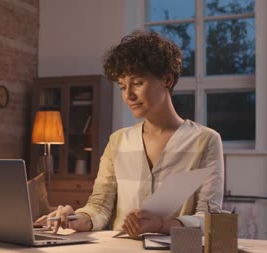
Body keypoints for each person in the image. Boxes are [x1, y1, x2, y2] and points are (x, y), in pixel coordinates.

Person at [34, 31, 224, 238]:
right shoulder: (118, 141)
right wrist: (75, 219)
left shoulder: (205, 140)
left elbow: (210, 218)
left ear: (167, 80)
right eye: (123, 86)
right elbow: (99, 207)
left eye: (137, 83)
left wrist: (162, 224)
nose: (128, 95)